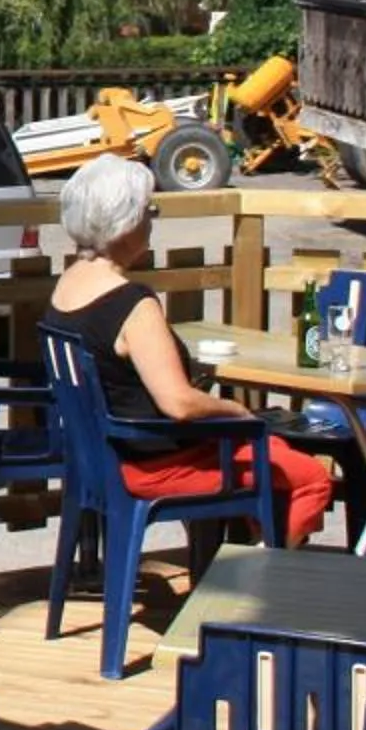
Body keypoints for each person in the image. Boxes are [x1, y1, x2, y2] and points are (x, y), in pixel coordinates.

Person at [39, 155, 335, 548]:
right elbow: (179, 404)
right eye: (150, 211)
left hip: (104, 458)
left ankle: (235, 569)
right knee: (309, 478)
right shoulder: (131, 304)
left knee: (273, 451)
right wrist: (240, 411)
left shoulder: (66, 288)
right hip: (155, 465)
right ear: (125, 222)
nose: (152, 222)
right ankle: (264, 584)